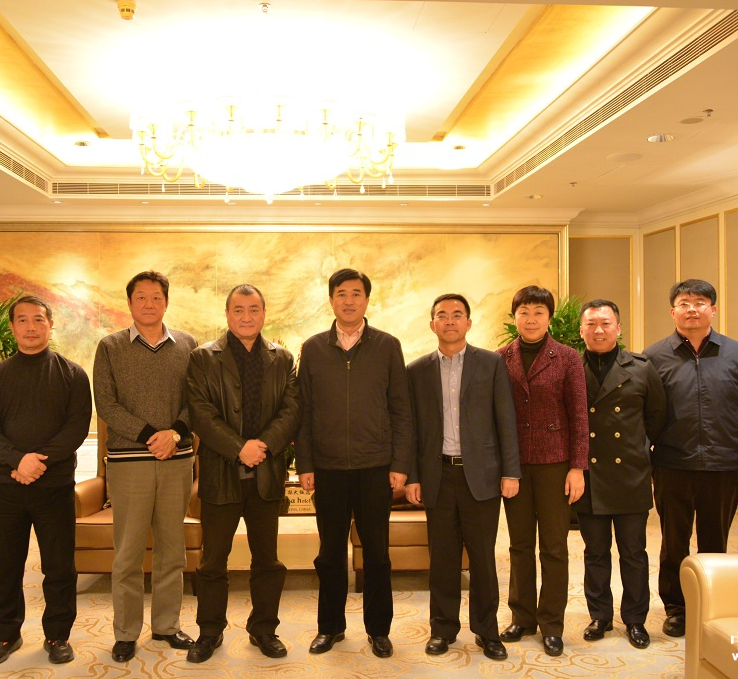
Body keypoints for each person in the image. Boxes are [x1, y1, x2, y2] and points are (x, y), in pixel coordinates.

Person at [295, 268, 412, 658]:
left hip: (375, 466)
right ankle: (330, 627)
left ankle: (379, 630)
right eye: (341, 293)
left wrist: (400, 463)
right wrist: (305, 463)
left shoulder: (387, 345)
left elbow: (401, 409)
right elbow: (304, 411)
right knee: (330, 553)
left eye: (356, 293)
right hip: (327, 469)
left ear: (367, 300)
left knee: (376, 553)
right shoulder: (313, 348)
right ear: (331, 300)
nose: (349, 300)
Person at [184, 284, 302, 663]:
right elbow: (200, 413)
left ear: (264, 314)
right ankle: (209, 631)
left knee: (267, 560)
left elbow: (292, 410)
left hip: (266, 475)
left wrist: (262, 445)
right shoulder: (203, 357)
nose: (246, 317)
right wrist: (239, 448)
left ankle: (264, 629)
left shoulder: (282, 358)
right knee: (212, 562)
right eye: (238, 310)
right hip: (220, 475)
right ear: (227, 314)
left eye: (253, 310)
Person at [0, 295, 91, 666]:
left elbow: (76, 427)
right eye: (22, 320)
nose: (30, 327)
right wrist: (17, 461)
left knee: (59, 567)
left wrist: (37, 462)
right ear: (12, 327)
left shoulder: (72, 374)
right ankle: (6, 635)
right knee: (4, 566)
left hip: (55, 487)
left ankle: (58, 635)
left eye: (38, 319)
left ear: (50, 325)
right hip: (7, 488)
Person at [643, 279, 738, 638]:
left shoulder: (737, 353)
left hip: (722, 464)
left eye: (699, 302)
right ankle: (677, 608)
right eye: (684, 303)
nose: (692, 309)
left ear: (713, 309)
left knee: (715, 541)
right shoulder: (654, 356)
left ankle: (712, 604)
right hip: (671, 464)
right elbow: (646, 415)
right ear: (673, 312)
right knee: (673, 542)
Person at [405, 294, 520, 661]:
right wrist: (412, 477)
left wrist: (511, 471)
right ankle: (442, 629)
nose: (450, 320)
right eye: (442, 315)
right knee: (442, 559)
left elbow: (506, 420)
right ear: (432, 324)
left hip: (482, 476)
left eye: (457, 315)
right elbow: (411, 431)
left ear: (468, 323)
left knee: (483, 559)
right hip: (437, 475)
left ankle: (487, 631)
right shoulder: (416, 371)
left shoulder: (491, 364)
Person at [92, 271, 199, 663]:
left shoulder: (187, 344)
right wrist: (153, 435)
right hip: (129, 462)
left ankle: (167, 625)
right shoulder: (110, 347)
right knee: (128, 553)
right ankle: (125, 632)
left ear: (166, 302)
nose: (149, 303)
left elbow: (198, 399)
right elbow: (106, 404)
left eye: (156, 297)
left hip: (177, 460)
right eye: (141, 297)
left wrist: (175, 434)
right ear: (130, 303)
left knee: (172, 550)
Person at [495, 285, 588, 657]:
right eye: (524, 312)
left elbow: (579, 416)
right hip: (515, 466)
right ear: (514, 316)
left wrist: (577, 467)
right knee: (519, 545)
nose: (531, 319)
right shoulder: (500, 358)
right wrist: (502, 467)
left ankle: (551, 624)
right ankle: (522, 617)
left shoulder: (567, 357)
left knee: (553, 547)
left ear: (549, 317)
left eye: (538, 312)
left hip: (555, 464)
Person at [574, 299, 666, 649]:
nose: (598, 330)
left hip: (629, 474)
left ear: (619, 328)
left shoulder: (641, 368)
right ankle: (599, 616)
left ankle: (635, 619)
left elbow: (656, 418)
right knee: (595, 552)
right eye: (591, 324)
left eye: (606, 323)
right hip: (590, 476)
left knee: (633, 552)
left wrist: (638, 452)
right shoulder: (571, 367)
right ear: (581, 330)